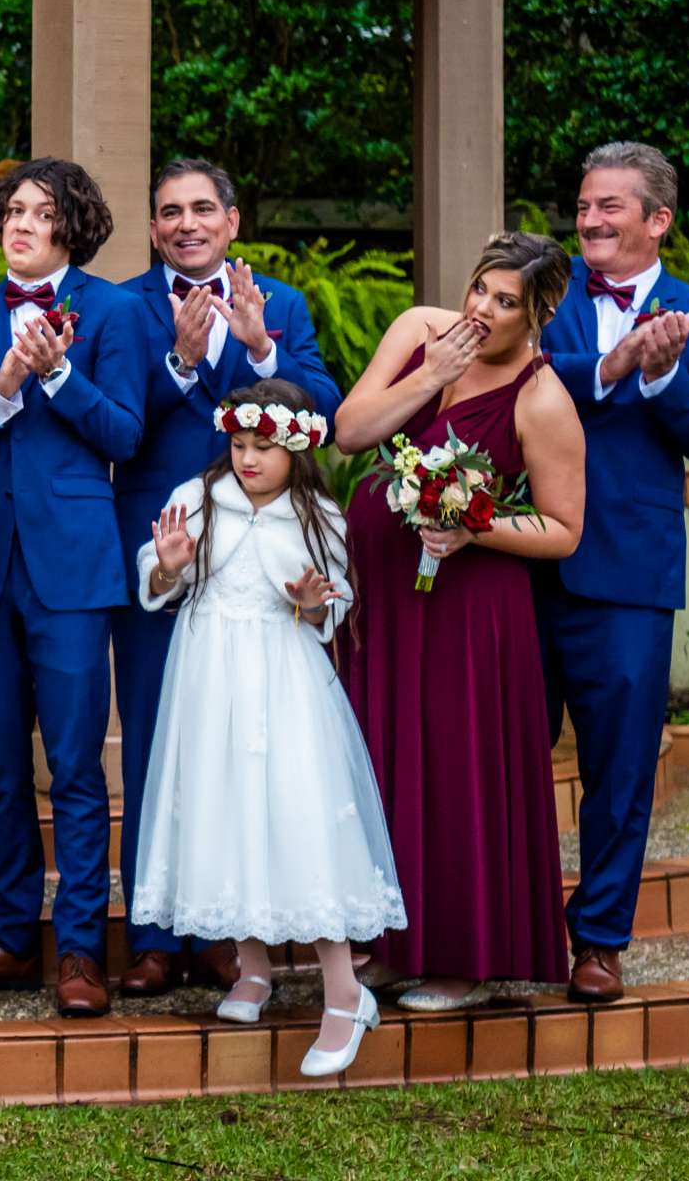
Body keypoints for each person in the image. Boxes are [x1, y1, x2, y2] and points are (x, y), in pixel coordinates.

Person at [112, 160, 343, 997]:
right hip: (167, 543)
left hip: (261, 555)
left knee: (244, 746)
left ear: (233, 220)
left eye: (202, 208)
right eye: (169, 211)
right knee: (153, 742)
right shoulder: (121, 306)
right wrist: (177, 363)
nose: (186, 223)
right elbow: (112, 421)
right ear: (152, 228)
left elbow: (321, 409)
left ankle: (223, 933)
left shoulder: (278, 304)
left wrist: (257, 348)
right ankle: (150, 932)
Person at [337, 232, 585, 1009]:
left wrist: (475, 527)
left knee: (452, 772)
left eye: (505, 301)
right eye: (480, 287)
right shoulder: (419, 331)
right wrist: (432, 376)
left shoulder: (542, 399)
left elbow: (563, 530)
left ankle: (462, 957)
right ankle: (386, 941)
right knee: (379, 759)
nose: (481, 308)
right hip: (379, 594)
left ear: (540, 312)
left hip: (467, 616)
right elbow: (350, 431)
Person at [130, 379, 406, 1078]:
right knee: (226, 806)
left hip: (282, 682)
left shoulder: (318, 517)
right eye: (240, 443)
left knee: (294, 814)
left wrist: (315, 607)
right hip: (207, 677)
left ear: (297, 450)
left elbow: (331, 613)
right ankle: (252, 970)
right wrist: (165, 571)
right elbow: (157, 575)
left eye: (265, 447)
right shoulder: (197, 500)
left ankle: (344, 996)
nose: (248, 458)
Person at [0, 159, 143, 1018]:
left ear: (73, 226)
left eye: (40, 211)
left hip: (72, 568)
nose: (20, 222)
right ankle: (14, 938)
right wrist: (7, 388)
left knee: (75, 768)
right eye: (12, 209)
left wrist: (60, 375)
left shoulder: (116, 311)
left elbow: (125, 434)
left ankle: (83, 950)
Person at [538, 142, 689, 1002]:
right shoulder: (544, 303)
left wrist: (662, 380)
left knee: (618, 770)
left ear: (657, 220)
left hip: (629, 573)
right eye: (584, 206)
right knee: (507, 752)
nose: (589, 221)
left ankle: (600, 941)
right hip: (522, 559)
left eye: (609, 207)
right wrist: (611, 366)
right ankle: (506, 926)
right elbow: (517, 380)